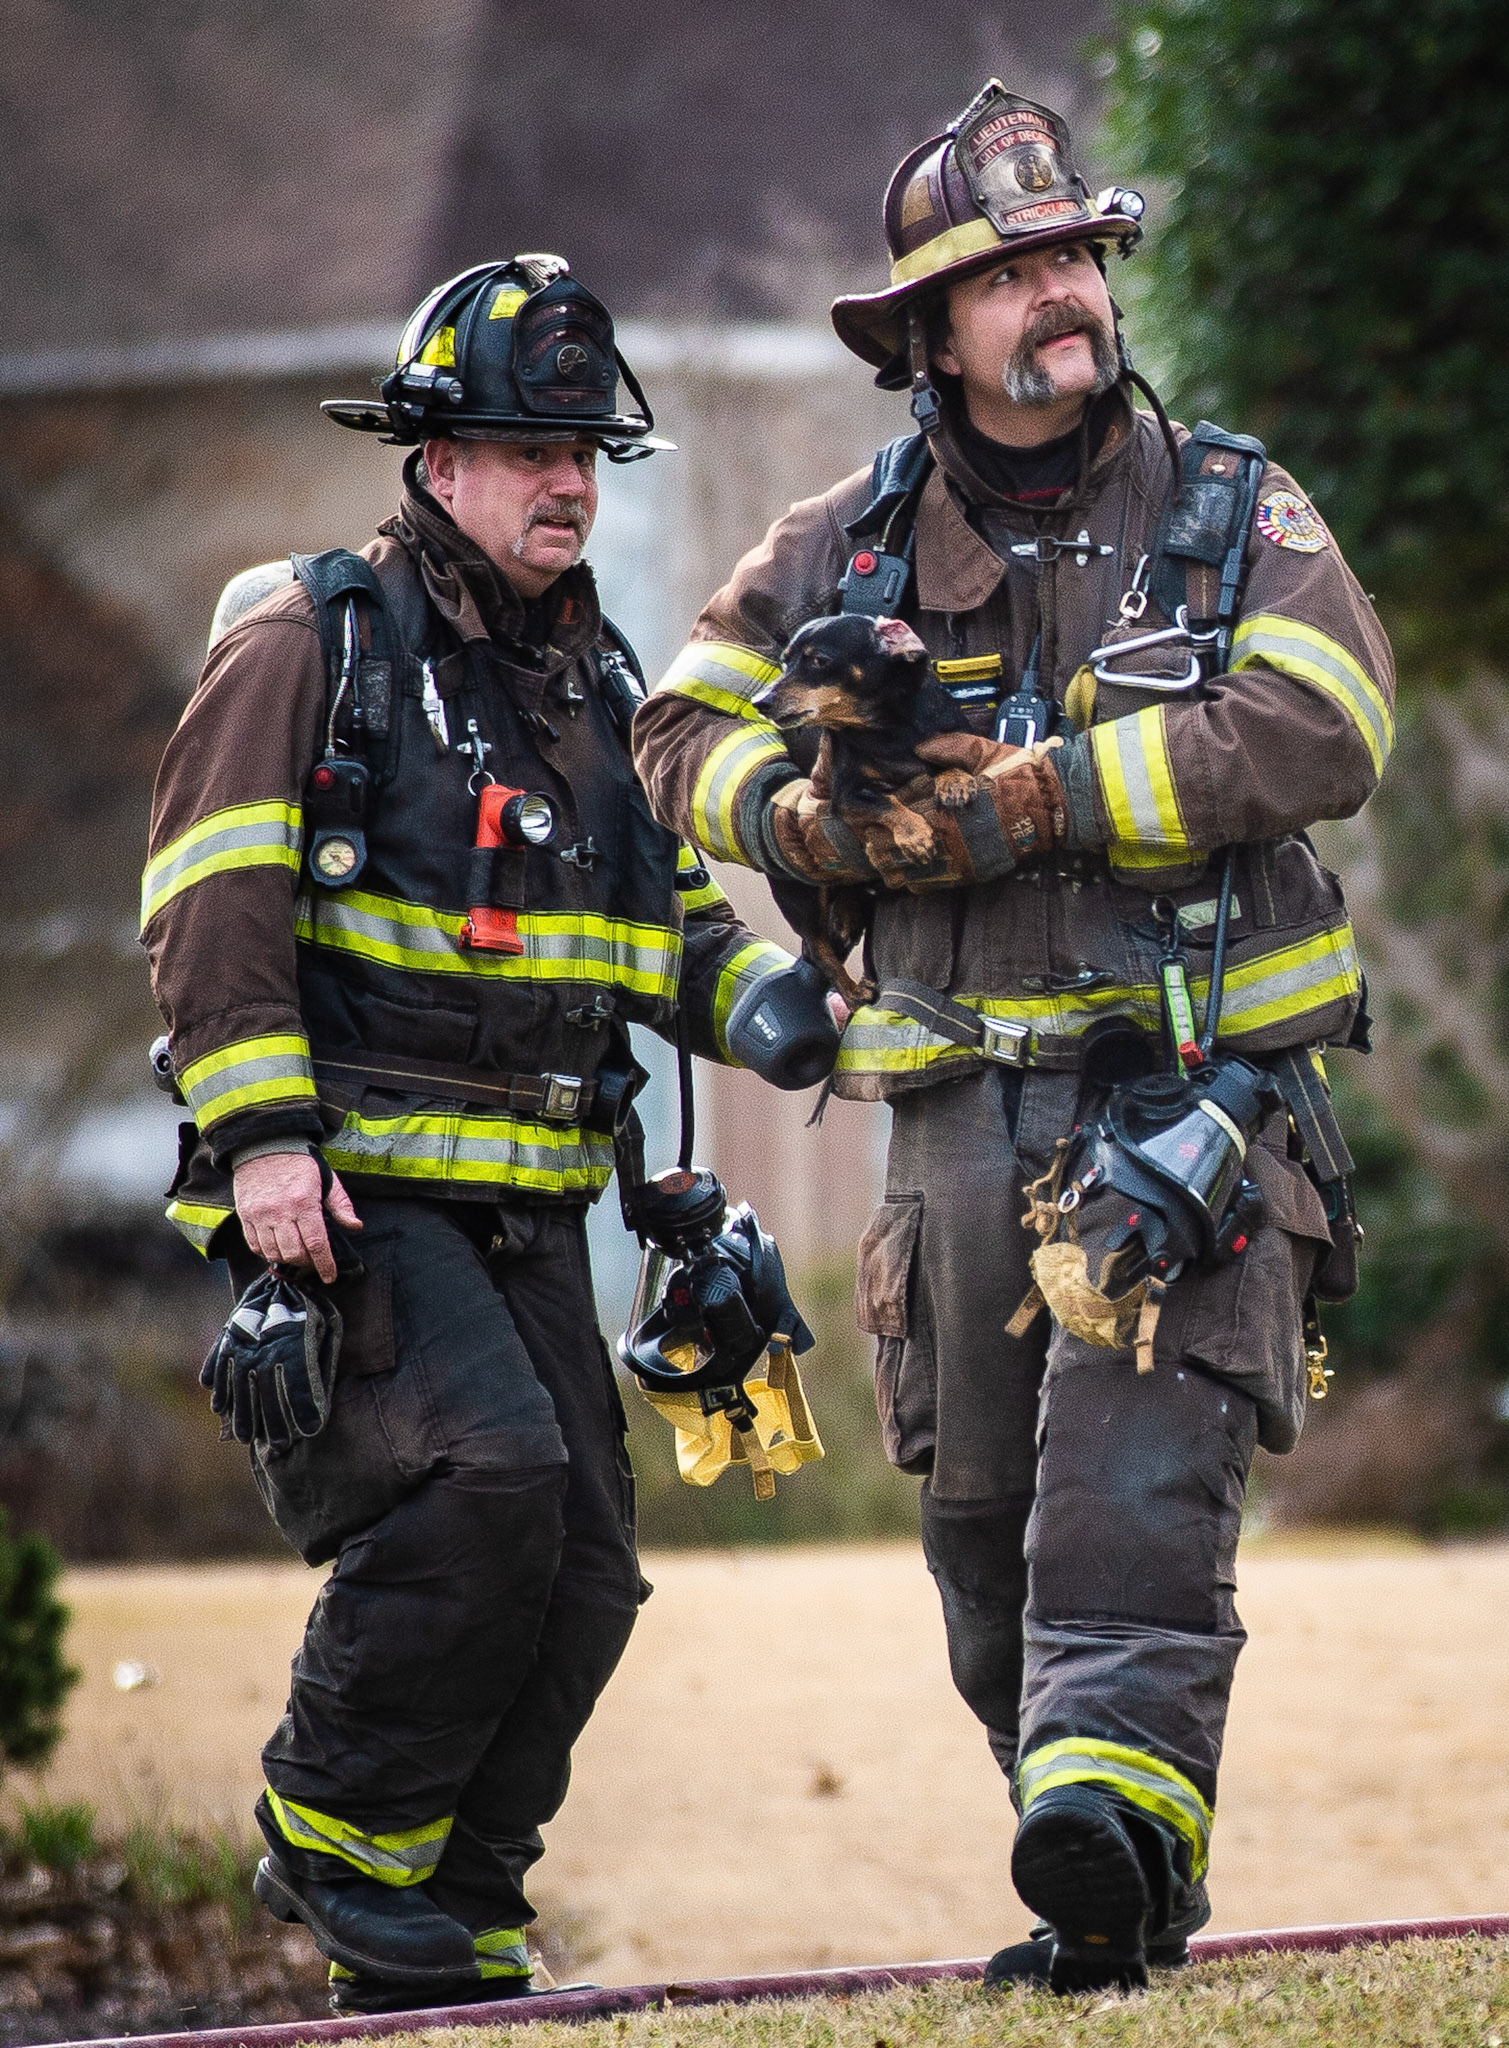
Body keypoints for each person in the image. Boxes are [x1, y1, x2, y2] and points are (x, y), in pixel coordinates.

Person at [631, 84, 1394, 1993]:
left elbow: (1330, 727)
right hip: (959, 1120)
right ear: (929, 334)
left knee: (1123, 1502)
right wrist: (797, 821)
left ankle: (1110, 1839)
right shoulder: (841, 550)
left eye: (1074, 256)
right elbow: (670, 735)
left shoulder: (1230, 513)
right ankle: (1113, 1879)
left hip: (1200, 1104)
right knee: (988, 1567)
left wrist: (1048, 800)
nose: (1063, 292)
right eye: (1013, 272)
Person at [141, 254, 833, 2015]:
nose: (569, 482)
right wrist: (265, 1141)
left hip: (532, 1207)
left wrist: (769, 1002)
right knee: (487, 1482)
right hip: (355, 1197)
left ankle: (459, 1905)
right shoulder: (313, 641)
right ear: (434, 460)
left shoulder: (589, 681)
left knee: (591, 1565)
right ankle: (340, 1823)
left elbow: (666, 913)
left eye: (586, 451)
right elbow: (205, 898)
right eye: (529, 447)